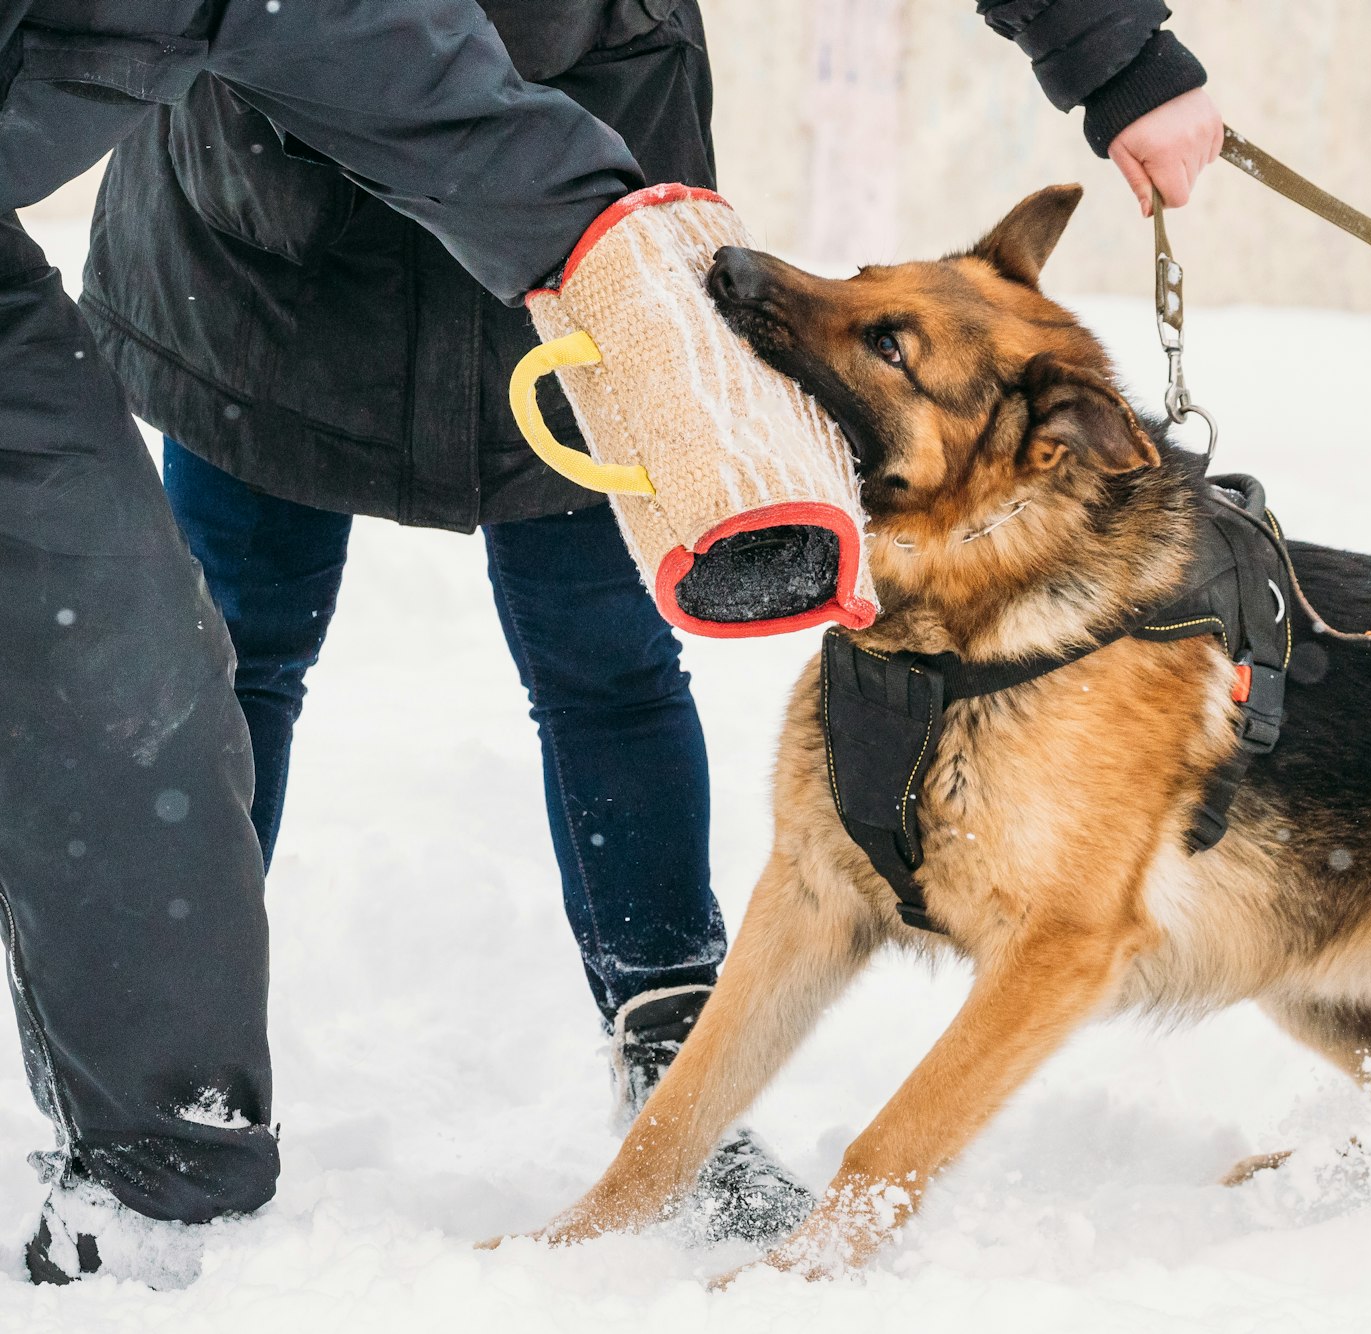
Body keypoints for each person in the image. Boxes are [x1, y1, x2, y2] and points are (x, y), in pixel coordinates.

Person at [3, 0, 1221, 1289]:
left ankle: (671, 1027)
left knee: (609, 670)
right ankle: (174, 1087)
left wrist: (1116, 56)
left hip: (591, 228)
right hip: (271, 235)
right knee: (198, 670)